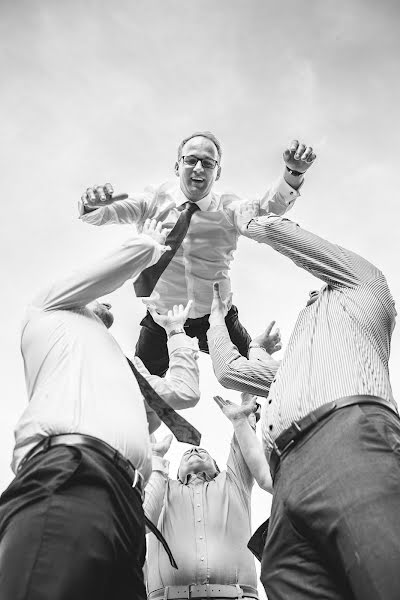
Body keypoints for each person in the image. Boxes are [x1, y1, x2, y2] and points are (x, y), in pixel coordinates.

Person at [0, 220, 201, 600]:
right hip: (71, 471)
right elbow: (107, 273)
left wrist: (176, 332)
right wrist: (149, 244)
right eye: (98, 296)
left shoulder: (129, 368)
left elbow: (183, 394)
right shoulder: (49, 307)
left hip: (128, 502)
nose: (107, 299)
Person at [212, 211, 399, 600]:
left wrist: (241, 217)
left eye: (319, 288)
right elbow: (229, 371)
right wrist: (219, 318)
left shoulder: (363, 285)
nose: (310, 296)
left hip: (347, 439)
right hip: (286, 479)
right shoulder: (293, 366)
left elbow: (288, 236)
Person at [79, 133, 315, 376]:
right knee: (142, 387)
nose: (199, 168)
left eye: (208, 162)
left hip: (217, 318)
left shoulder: (228, 209)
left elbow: (267, 209)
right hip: (162, 319)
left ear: (218, 172)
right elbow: (105, 213)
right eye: (191, 160)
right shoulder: (152, 203)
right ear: (177, 166)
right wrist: (93, 205)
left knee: (259, 373)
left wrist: (292, 174)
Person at [143, 396, 265, 600]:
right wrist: (156, 457)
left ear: (217, 467)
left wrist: (243, 421)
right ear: (176, 471)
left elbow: (244, 447)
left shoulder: (233, 483)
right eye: (187, 453)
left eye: (202, 452)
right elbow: (143, 441)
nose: (193, 450)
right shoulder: (163, 488)